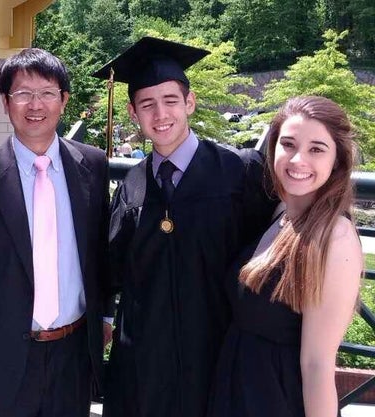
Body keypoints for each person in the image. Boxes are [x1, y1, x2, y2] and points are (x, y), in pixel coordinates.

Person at [98, 37, 278, 417]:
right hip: (146, 365)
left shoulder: (240, 172)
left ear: (190, 103)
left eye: (170, 100)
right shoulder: (131, 187)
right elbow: (111, 270)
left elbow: (279, 245)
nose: (160, 113)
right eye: (147, 104)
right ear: (133, 113)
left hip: (217, 356)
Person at [0, 48, 112, 417]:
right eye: (23, 93)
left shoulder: (92, 165)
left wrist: (106, 317)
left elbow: (101, 252)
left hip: (72, 352)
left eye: (47, 93)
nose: (35, 104)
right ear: (5, 102)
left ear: (64, 100)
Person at [208, 96, 362, 417]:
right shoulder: (282, 212)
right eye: (288, 144)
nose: (298, 159)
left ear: (337, 160)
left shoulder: (335, 237)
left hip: (276, 402)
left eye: (317, 149)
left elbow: (317, 365)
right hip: (238, 392)